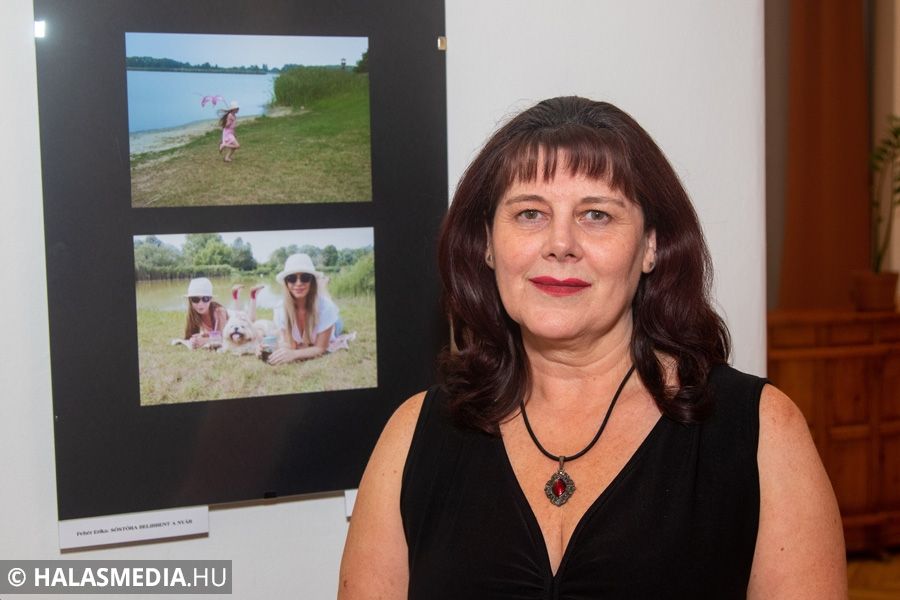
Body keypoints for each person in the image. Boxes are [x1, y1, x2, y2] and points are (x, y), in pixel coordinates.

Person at [339, 97, 846, 598]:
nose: (561, 243)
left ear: (651, 246)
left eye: (597, 215)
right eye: (530, 213)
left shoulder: (762, 433)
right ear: (487, 244)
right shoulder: (413, 436)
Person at [267, 253, 341, 365]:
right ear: (286, 283)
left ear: (312, 281)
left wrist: (294, 354)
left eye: (305, 278)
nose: (298, 283)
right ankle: (322, 286)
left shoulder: (326, 308)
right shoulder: (280, 309)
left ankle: (323, 286)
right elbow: (290, 345)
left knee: (335, 319)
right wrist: (266, 349)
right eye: (292, 278)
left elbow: (321, 348)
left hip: (334, 325)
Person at [181, 277, 228, 349]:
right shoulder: (193, 313)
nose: (200, 304)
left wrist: (206, 340)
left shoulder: (219, 311)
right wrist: (194, 340)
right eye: (195, 299)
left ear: (211, 299)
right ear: (190, 301)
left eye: (205, 299)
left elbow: (224, 338)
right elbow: (189, 336)